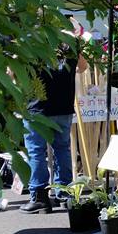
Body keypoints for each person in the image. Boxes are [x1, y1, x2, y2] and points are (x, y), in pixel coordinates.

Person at [21, 42, 88, 214]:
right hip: (63, 104)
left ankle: (39, 196)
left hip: (37, 106)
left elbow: (15, 72)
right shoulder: (71, 43)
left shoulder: (30, 40)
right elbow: (83, 67)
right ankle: (64, 193)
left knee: (36, 151)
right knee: (62, 149)